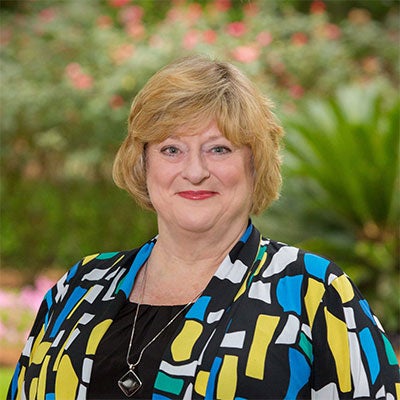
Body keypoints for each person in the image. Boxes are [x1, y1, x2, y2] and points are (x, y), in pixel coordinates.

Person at [8, 55, 399, 400]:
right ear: (144, 164)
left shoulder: (313, 295)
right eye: (171, 149)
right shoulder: (80, 289)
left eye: (219, 149)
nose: (195, 172)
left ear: (255, 164)